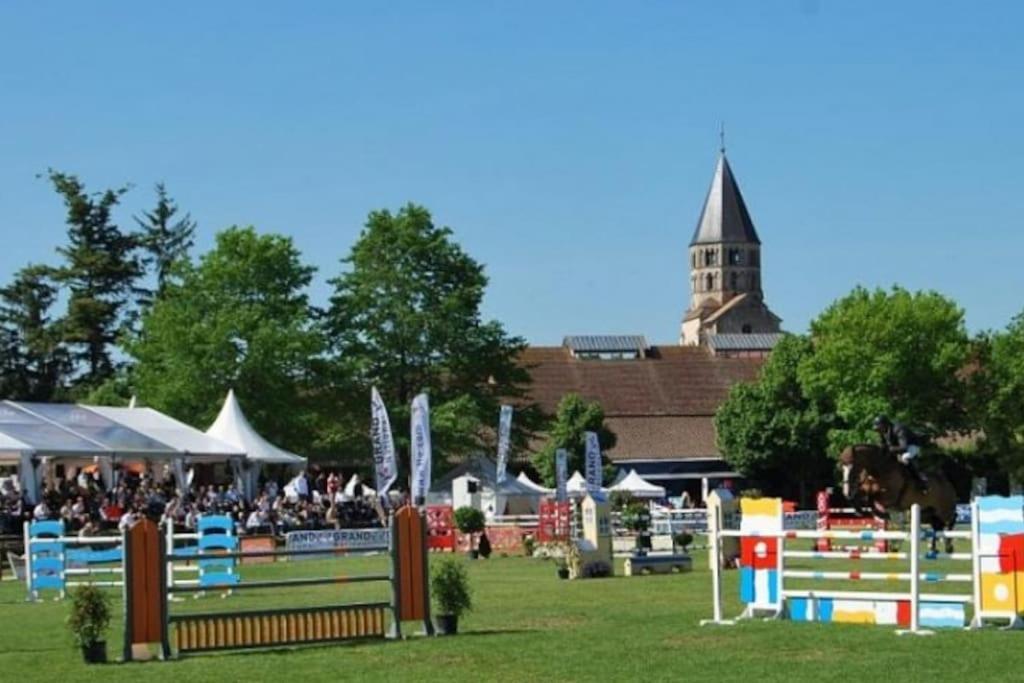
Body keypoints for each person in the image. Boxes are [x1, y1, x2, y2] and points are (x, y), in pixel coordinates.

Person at [873, 415, 927, 489]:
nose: (879, 431)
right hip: (898, 447)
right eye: (878, 429)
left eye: (880, 428)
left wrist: (889, 449)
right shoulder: (884, 431)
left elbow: (904, 447)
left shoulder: (898, 429)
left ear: (885, 424)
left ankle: (921, 479)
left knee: (905, 458)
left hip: (912, 445)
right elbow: (883, 444)